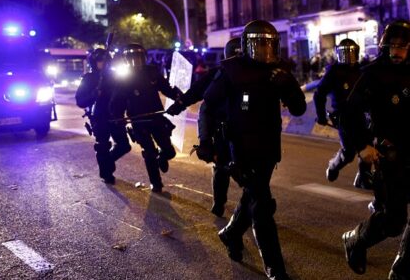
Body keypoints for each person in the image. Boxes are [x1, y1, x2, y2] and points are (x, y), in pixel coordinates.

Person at [204, 20, 306, 280]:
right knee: (262, 205)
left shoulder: (278, 70)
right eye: (258, 44)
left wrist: (288, 86)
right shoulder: (232, 70)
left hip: (268, 149)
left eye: (268, 44)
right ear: (247, 46)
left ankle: (230, 233)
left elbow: (298, 109)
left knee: (253, 197)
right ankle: (275, 268)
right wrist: (206, 141)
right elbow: (208, 104)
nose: (264, 50)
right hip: (239, 150)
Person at [341, 19, 410, 280]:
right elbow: (349, 114)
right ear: (385, 45)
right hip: (389, 155)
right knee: (394, 220)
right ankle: (356, 240)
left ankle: (402, 269)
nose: (398, 51)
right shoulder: (372, 73)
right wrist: (362, 146)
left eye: (403, 46)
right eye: (393, 45)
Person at [165, 37, 241, 217]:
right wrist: (179, 104)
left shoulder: (253, 76)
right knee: (222, 166)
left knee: (243, 172)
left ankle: (250, 206)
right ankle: (219, 203)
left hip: (245, 131)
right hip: (222, 130)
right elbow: (196, 92)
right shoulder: (217, 75)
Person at [109, 43, 181, 193]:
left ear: (144, 57)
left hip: (156, 117)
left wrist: (179, 97)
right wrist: (117, 117)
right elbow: (117, 101)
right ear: (126, 60)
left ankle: (162, 157)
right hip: (138, 120)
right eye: (132, 57)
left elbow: (166, 88)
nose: (136, 60)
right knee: (149, 152)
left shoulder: (152, 72)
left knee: (169, 151)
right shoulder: (123, 78)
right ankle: (156, 183)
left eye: (139, 57)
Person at [314, 39, 372, 189]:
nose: (348, 56)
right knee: (349, 152)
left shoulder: (362, 71)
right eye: (344, 53)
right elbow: (319, 94)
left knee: (368, 146)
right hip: (343, 118)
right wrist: (321, 116)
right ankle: (333, 166)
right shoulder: (334, 72)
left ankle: (364, 177)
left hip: (361, 115)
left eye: (351, 52)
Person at [75, 48, 132, 184]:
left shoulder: (116, 77)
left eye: (106, 60)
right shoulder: (89, 79)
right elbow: (80, 101)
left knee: (124, 145)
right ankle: (106, 173)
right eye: (100, 60)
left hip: (116, 116)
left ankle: (107, 162)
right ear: (94, 62)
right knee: (102, 146)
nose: (103, 63)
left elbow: (126, 95)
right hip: (100, 117)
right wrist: (95, 94)